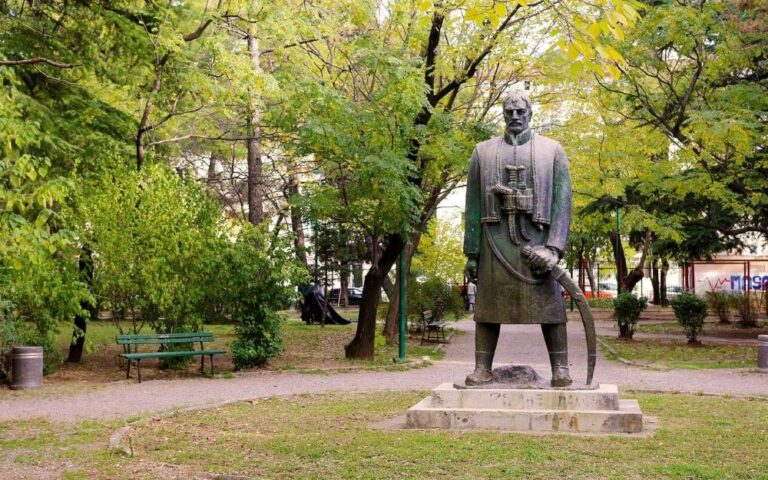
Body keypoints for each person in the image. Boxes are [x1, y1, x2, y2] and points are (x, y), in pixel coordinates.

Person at [463, 92, 573, 387]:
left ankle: (561, 368)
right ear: (502, 114)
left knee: (551, 308)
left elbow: (562, 203)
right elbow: (472, 205)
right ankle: (482, 368)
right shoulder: (482, 152)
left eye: (520, 111)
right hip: (494, 245)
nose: (515, 116)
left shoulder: (552, 150)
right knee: (488, 308)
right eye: (509, 111)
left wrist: (554, 249)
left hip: (539, 246)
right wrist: (472, 253)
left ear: (530, 114)